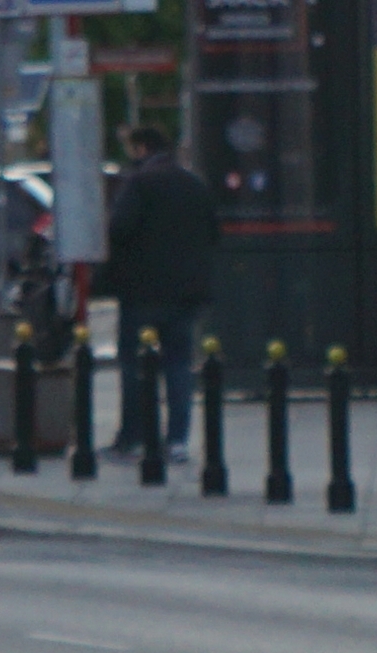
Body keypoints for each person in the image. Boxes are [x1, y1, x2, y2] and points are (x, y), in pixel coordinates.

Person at [98, 125, 220, 458]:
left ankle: (134, 437)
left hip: (143, 292)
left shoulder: (139, 184)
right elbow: (213, 231)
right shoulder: (194, 184)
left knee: (136, 366)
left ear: (141, 149)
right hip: (186, 293)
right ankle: (177, 440)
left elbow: (119, 229)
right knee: (178, 365)